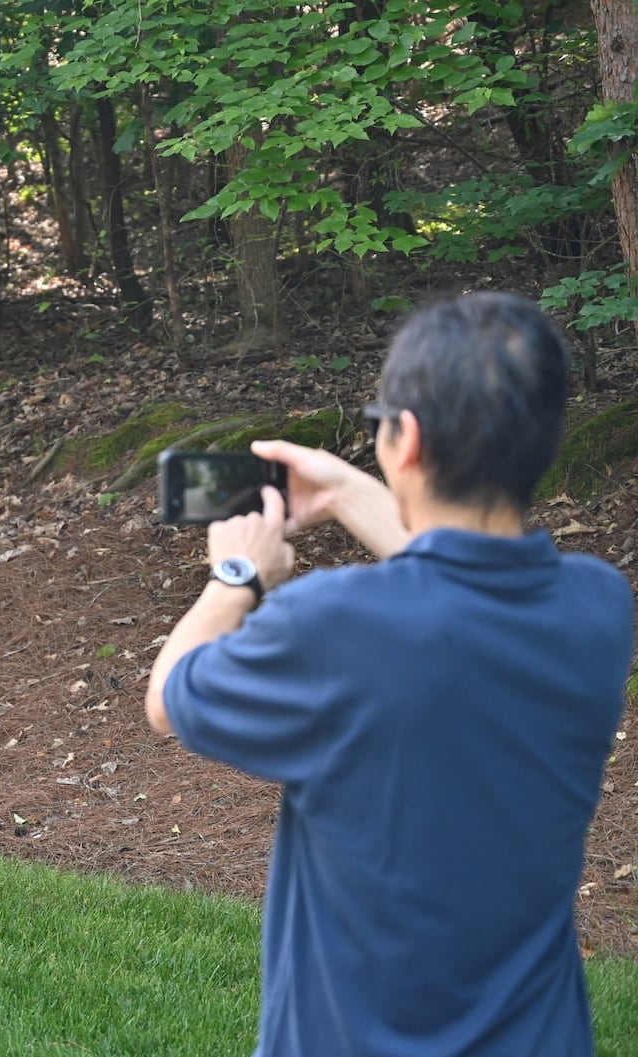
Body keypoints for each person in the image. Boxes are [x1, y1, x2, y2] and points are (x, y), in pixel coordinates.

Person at [144, 291, 633, 1057]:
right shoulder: (599, 610)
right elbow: (456, 589)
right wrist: (341, 491)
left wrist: (237, 574)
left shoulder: (335, 623)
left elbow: (171, 697)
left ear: (404, 438)